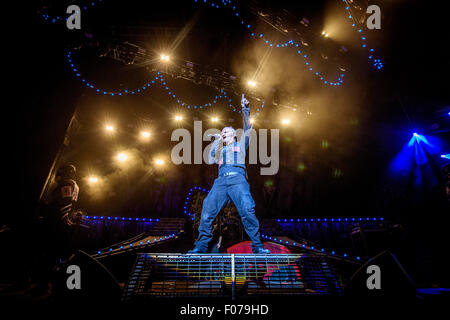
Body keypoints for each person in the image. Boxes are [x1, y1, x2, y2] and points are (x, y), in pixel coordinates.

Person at [188, 94, 270, 254]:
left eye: (225, 131)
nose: (223, 133)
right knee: (207, 208)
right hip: (221, 182)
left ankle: (258, 246)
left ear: (233, 134)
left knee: (247, 209)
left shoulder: (240, 144)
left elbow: (248, 129)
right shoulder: (221, 149)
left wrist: (245, 109)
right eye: (222, 132)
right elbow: (211, 159)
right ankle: (201, 245)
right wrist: (217, 140)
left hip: (238, 179)